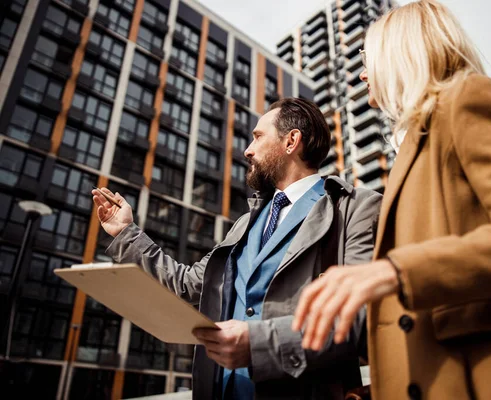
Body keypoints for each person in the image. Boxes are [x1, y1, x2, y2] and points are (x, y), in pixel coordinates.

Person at [292, 2, 491, 399]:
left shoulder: (466, 98)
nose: (363, 74)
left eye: (369, 59)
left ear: (402, 53)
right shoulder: (413, 145)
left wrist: (393, 272)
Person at [92, 97, 382, 400]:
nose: (248, 150)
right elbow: (187, 286)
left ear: (291, 141)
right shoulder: (245, 223)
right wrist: (125, 233)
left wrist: (258, 344)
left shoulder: (355, 209)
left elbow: (359, 318)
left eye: (258, 137)